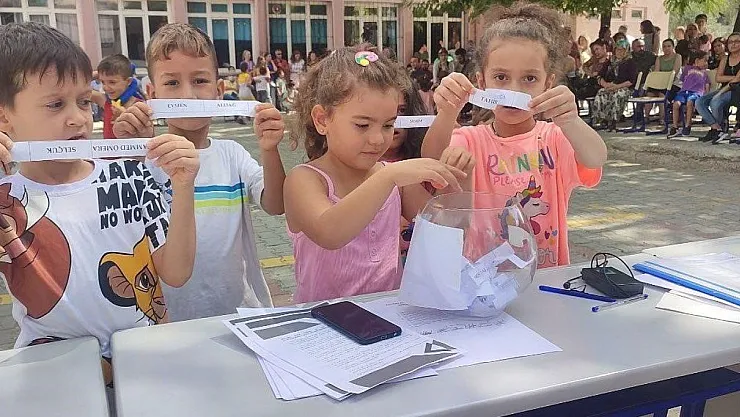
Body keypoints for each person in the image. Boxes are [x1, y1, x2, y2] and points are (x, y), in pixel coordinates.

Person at [0, 22, 198, 383]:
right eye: (55, 104)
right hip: (59, 376)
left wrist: (183, 187)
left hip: (147, 364)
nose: (78, 118)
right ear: (4, 117)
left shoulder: (128, 175)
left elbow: (176, 272)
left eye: (83, 101)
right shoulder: (5, 202)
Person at [113, 23, 287, 320]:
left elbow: (276, 204)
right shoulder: (144, 160)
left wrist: (270, 149)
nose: (188, 95)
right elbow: (120, 225)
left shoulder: (232, 154)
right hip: (168, 319)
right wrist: (130, 152)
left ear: (218, 91)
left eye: (200, 80)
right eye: (172, 83)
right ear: (152, 93)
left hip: (238, 314)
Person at [421, 2, 605, 268]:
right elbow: (431, 159)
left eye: (529, 79)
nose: (514, 90)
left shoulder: (554, 138)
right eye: (501, 77)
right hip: (484, 280)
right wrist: (446, 113)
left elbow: (596, 158)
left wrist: (571, 120)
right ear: (481, 82)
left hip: (546, 277)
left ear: (548, 83)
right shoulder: (471, 140)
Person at [283, 46, 471, 303]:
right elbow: (329, 232)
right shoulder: (304, 180)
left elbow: (446, 228)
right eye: (362, 125)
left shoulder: (393, 179)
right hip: (322, 319)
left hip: (388, 315)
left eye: (388, 124)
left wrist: (459, 181)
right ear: (323, 120)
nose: (378, 139)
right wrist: (387, 177)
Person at [696, 32, 740, 143]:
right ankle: (716, 128)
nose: (733, 44)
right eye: (730, 42)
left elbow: (735, 82)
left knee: (715, 102)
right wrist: (735, 77)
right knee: (699, 102)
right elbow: (718, 78)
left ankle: (720, 128)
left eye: (736, 41)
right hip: (725, 88)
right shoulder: (725, 59)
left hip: (736, 90)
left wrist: (721, 92)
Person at [92, 54, 145, 139]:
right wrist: (97, 73)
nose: (106, 87)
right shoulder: (105, 100)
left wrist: (126, 116)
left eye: (112, 82)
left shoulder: (139, 105)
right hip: (108, 148)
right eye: (103, 82)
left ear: (128, 81)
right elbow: (78, 88)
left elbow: (147, 136)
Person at [592, 39, 638, 131]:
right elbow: (600, 76)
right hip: (610, 86)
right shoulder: (610, 62)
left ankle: (613, 121)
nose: (619, 52)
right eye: (617, 49)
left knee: (617, 95)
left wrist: (616, 87)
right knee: (601, 93)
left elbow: (631, 81)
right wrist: (605, 85)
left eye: (622, 50)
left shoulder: (630, 62)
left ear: (626, 50)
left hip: (624, 87)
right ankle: (602, 120)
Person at [669, 51, 710, 138]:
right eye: (705, 60)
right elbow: (683, 80)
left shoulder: (705, 73)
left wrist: (705, 95)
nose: (706, 63)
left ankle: (688, 125)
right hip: (684, 91)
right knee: (676, 104)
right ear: (697, 60)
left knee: (689, 103)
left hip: (696, 92)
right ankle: (675, 126)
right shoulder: (687, 69)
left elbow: (707, 85)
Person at [644, 39, 682, 121]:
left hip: (673, 84)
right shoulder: (659, 58)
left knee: (662, 95)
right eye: (664, 46)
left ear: (673, 47)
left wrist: (665, 79)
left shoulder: (677, 57)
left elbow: (675, 72)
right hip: (660, 83)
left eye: (669, 46)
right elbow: (656, 72)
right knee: (649, 94)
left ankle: (662, 118)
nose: (666, 48)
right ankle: (646, 117)